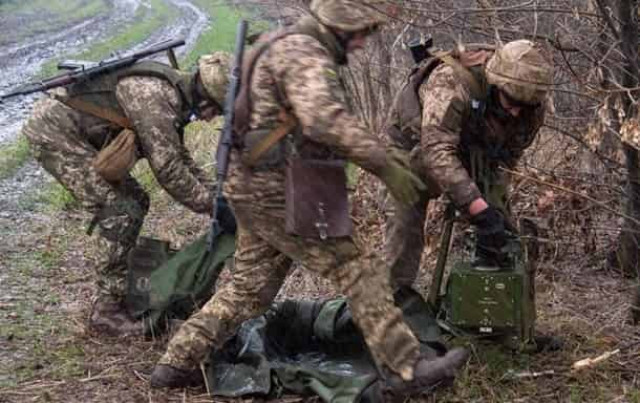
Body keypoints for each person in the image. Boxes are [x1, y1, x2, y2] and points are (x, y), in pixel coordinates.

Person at [151, 0, 468, 396]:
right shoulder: (304, 53)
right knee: (360, 270)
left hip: (250, 186)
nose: (361, 44)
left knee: (248, 289)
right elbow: (323, 120)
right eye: (359, 34)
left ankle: (176, 362)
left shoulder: (280, 44)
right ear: (341, 29)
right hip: (280, 191)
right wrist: (383, 162)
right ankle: (407, 369)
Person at [21, 52, 231, 336]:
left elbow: (179, 156)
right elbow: (168, 170)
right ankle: (107, 310)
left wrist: (218, 195)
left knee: (137, 201)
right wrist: (213, 207)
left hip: (77, 133)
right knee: (120, 209)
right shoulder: (155, 99)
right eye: (216, 110)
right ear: (205, 97)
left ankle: (124, 282)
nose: (211, 118)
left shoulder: (174, 93)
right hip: (56, 134)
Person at [384, 39, 553, 287]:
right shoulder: (452, 81)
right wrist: (476, 208)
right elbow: (436, 151)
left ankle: (494, 305)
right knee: (405, 224)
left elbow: (506, 159)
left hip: (471, 147)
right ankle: (391, 304)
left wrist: (490, 210)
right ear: (496, 84)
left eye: (524, 106)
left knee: (501, 231)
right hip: (411, 146)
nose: (517, 112)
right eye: (512, 102)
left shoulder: (533, 106)